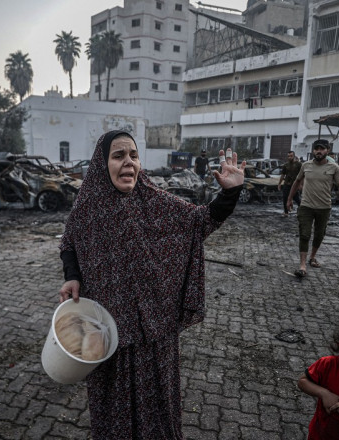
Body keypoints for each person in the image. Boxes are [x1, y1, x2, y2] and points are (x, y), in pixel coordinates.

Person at [58, 130, 245, 439]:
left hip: (153, 331)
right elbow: (69, 243)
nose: (128, 162)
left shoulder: (155, 201)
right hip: (107, 331)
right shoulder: (87, 207)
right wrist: (72, 275)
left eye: (133, 155)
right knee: (112, 409)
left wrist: (230, 193)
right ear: (101, 163)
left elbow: (199, 222)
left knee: (156, 412)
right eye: (118, 156)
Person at [286, 139, 339, 278]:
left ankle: (312, 257)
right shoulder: (306, 166)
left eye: (322, 149)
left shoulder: (334, 168)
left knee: (319, 235)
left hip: (324, 207)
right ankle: (302, 266)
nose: (318, 151)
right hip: (306, 206)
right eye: (316, 149)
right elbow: (296, 182)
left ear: (327, 150)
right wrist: (289, 199)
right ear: (313, 150)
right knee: (304, 234)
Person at [277, 150, 302, 217]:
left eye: (291, 156)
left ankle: (301, 211)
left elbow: (302, 175)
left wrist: (300, 184)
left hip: (295, 185)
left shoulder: (298, 164)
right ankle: (286, 212)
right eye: (288, 156)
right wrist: (279, 184)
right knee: (285, 198)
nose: (289, 157)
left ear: (294, 156)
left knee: (297, 198)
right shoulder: (286, 165)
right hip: (287, 184)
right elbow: (282, 175)